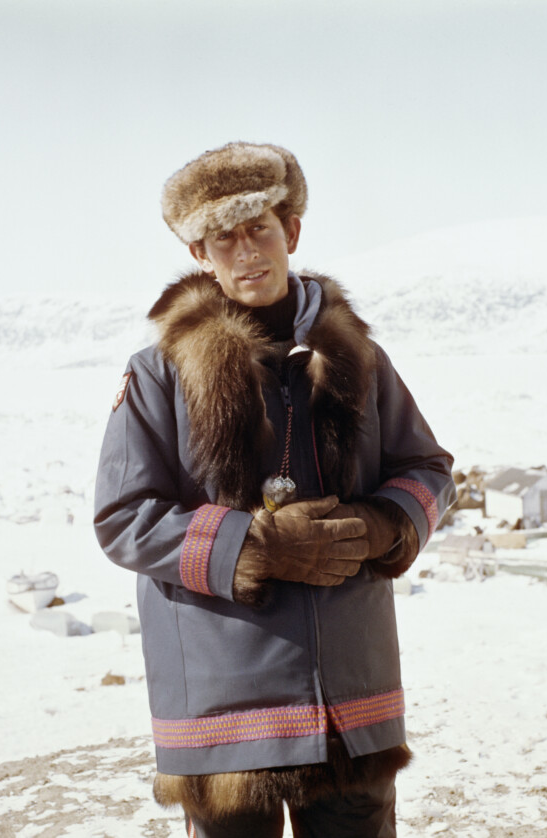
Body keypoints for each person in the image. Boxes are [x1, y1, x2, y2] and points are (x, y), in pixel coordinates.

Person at [94, 141, 456, 838]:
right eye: (222, 238)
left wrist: (383, 525)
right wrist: (255, 548)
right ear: (200, 253)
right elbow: (124, 518)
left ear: (291, 232)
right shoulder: (157, 374)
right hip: (225, 717)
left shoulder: (360, 358)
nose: (245, 251)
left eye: (259, 228)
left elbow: (429, 468)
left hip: (353, 705)